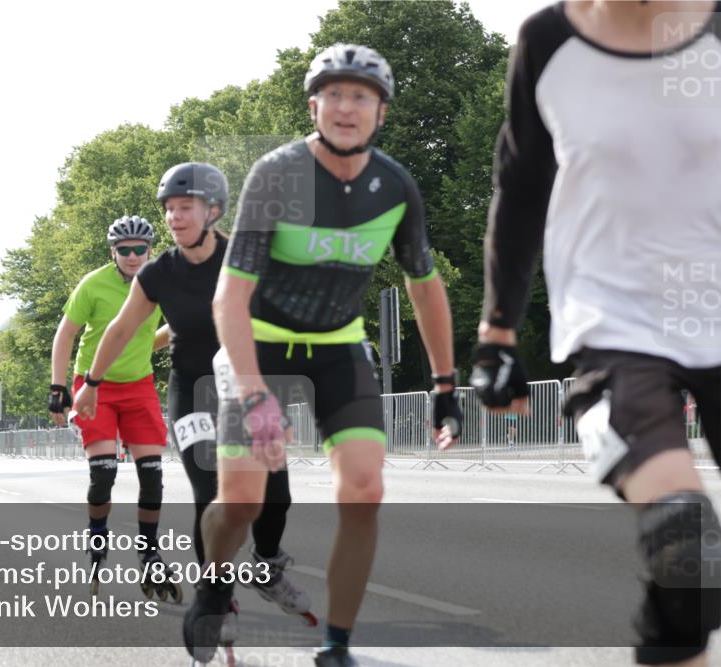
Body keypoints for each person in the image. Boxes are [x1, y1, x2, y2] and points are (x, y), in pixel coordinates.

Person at [188, 44, 464, 667]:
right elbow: (230, 296)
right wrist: (255, 392)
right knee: (242, 502)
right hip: (258, 343)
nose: (346, 107)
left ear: (381, 112)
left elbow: (425, 286)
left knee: (365, 488)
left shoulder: (393, 186)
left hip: (338, 347)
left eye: (361, 96)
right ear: (313, 105)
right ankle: (213, 582)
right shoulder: (278, 175)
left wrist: (446, 383)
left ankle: (336, 644)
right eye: (334, 95)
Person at [469, 3, 721, 666]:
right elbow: (520, 187)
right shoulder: (548, 41)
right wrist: (497, 330)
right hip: (616, 327)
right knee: (687, 548)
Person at [73, 163, 315, 648]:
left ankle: (267, 566)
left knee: (276, 493)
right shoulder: (160, 272)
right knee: (212, 489)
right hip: (193, 390)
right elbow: (122, 329)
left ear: (214, 210)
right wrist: (92, 382)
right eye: (169, 209)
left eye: (185, 208)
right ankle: (216, 594)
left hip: (248, 386)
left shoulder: (244, 258)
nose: (175, 218)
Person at [48, 215, 180, 601]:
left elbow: (160, 329)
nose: (133, 256)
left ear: (151, 250)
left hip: (138, 385)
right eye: (125, 250)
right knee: (104, 472)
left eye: (141, 249)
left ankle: (149, 552)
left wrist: (147, 343)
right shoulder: (94, 284)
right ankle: (97, 533)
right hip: (93, 386)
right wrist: (58, 387)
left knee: (152, 475)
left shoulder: (162, 281)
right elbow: (65, 334)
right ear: (113, 252)